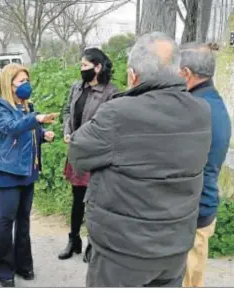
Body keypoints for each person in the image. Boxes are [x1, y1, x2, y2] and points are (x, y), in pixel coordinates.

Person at [67, 32, 212, 287]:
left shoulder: (119, 113)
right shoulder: (201, 110)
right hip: (174, 247)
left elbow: (78, 153)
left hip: (123, 252)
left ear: (133, 75)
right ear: (178, 70)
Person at [0, 63, 59, 287]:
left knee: (24, 220)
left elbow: (30, 134)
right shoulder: (0, 108)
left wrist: (44, 135)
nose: (25, 85)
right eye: (21, 81)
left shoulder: (29, 107)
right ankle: (4, 270)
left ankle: (23, 264)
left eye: (27, 80)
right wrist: (36, 120)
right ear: (9, 84)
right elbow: (11, 128)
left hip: (27, 171)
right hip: (7, 172)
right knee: (7, 220)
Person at [179, 43, 231, 287]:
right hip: (203, 203)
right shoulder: (212, 101)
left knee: (187, 281)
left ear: (187, 73)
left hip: (194, 208)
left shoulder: (196, 108)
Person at [58, 48, 118, 261]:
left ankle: (94, 243)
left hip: (96, 155)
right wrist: (67, 131)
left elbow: (109, 125)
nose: (81, 69)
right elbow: (67, 111)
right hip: (76, 152)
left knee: (96, 201)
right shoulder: (77, 87)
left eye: (85, 65)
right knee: (77, 198)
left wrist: (82, 137)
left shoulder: (111, 92)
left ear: (97, 67)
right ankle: (73, 240)